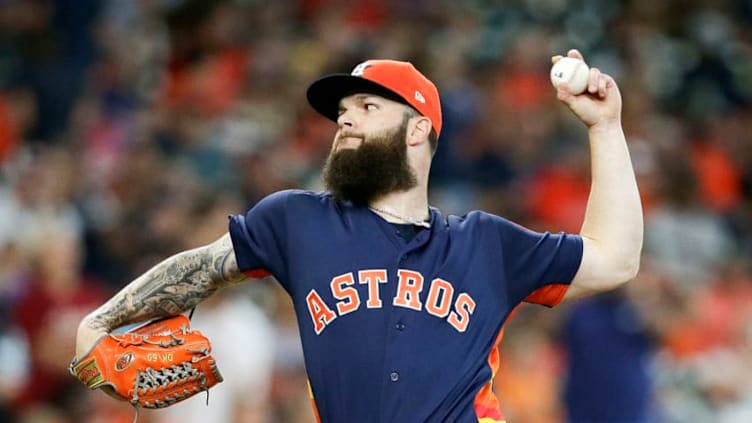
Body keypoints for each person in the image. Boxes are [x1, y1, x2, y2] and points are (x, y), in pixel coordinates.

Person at [74, 50, 643, 422]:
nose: (345, 120)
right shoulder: (297, 222)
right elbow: (200, 269)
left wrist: (606, 128)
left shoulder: (486, 245)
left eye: (367, 107)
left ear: (418, 129)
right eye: (342, 111)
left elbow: (615, 259)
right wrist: (98, 322)